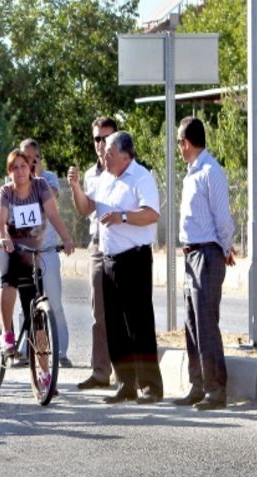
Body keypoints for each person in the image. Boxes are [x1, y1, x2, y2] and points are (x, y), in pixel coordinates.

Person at [69, 131, 163, 404]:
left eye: (110, 153)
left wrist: (123, 216)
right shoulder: (102, 179)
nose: (104, 157)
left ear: (126, 155)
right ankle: (125, 383)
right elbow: (87, 208)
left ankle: (151, 386)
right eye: (104, 153)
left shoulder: (141, 177)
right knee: (114, 325)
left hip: (134, 259)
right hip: (108, 259)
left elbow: (151, 214)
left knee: (139, 324)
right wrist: (75, 187)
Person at [0, 149, 74, 386]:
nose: (19, 171)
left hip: (33, 253)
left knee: (36, 313)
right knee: (9, 279)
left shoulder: (40, 187)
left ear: (31, 168)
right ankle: (7, 333)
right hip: (8, 248)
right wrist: (4, 238)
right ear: (9, 172)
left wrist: (67, 238)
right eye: (14, 168)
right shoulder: (6, 192)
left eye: (23, 166)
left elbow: (53, 215)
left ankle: (44, 375)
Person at [173, 117, 235, 411]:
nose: (178, 148)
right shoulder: (191, 173)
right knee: (191, 323)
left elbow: (222, 217)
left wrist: (225, 246)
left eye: (179, 142)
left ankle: (216, 390)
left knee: (206, 323)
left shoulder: (211, 171)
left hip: (208, 254)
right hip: (191, 255)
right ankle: (198, 386)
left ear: (186, 142)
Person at [67, 116, 117, 390]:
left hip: (123, 247)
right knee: (99, 313)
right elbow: (86, 209)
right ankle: (100, 372)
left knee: (123, 312)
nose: (100, 143)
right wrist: (75, 187)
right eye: (97, 138)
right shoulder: (91, 174)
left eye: (106, 138)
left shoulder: (125, 169)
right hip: (98, 245)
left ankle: (127, 373)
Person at [20, 139, 73, 368]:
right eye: (26, 159)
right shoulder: (16, 180)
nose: (29, 164)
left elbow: (50, 198)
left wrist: (38, 174)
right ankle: (25, 349)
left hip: (47, 250)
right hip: (24, 251)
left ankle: (60, 351)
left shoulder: (48, 178)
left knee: (54, 302)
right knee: (26, 304)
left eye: (34, 159)